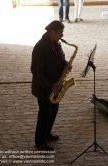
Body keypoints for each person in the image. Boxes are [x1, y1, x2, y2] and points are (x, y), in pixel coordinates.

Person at [31, 20, 69, 151]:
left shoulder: (56, 44)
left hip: (55, 85)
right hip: (44, 88)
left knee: (53, 111)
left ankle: (47, 133)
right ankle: (40, 141)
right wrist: (51, 85)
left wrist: (66, 65)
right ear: (52, 32)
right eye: (60, 33)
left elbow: (60, 59)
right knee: (44, 114)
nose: (62, 36)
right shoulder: (41, 47)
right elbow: (36, 71)